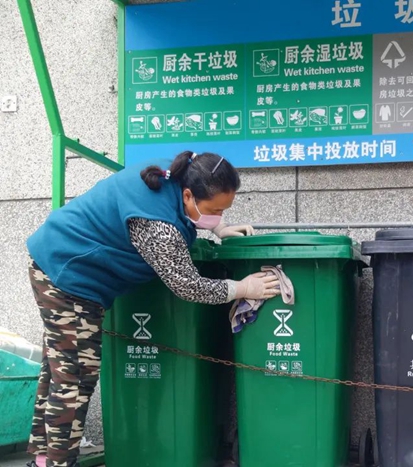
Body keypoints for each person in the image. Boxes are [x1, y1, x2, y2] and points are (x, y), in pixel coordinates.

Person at [24, 151, 280, 467]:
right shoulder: (158, 226)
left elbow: (193, 215)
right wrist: (244, 288)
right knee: (75, 376)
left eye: (224, 210)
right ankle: (58, 462)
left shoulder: (177, 175)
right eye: (215, 211)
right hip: (66, 275)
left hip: (61, 263)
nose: (218, 215)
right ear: (189, 195)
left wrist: (218, 228)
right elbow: (189, 286)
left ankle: (42, 458)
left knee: (60, 366)